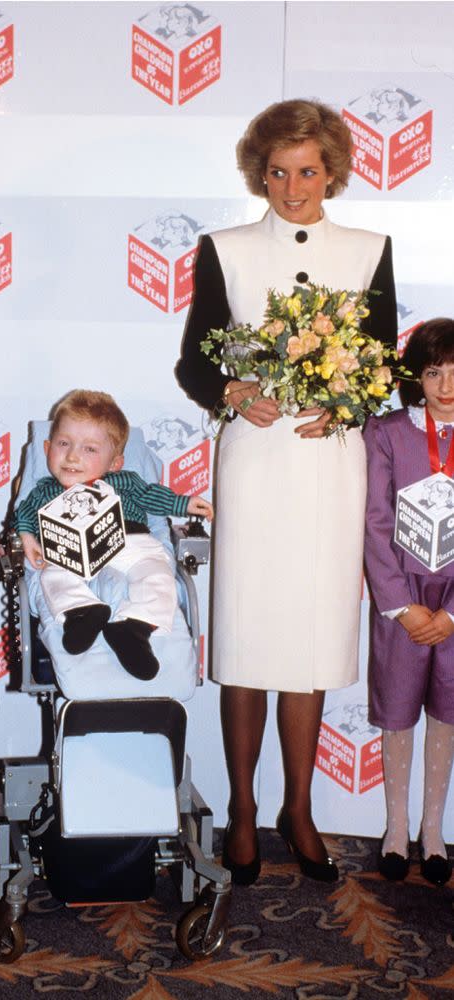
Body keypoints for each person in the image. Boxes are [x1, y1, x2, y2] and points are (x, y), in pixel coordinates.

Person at [176, 99, 397, 885]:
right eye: (278, 171)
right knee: (245, 640)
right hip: (257, 462)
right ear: (259, 172)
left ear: (331, 170)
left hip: (330, 465)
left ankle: (297, 809)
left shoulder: (369, 249)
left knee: (305, 645)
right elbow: (193, 366)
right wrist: (232, 391)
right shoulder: (226, 249)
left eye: (308, 170)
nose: (293, 186)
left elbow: (381, 367)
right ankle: (242, 811)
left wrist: (345, 399)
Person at [13, 390, 213, 680]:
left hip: (131, 543)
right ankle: (82, 612)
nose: (72, 456)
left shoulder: (124, 481)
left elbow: (152, 497)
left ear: (115, 463)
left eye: (89, 449)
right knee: (52, 576)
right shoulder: (45, 490)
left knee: (158, 576)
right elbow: (26, 514)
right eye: (63, 443)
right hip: (70, 550)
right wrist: (28, 536)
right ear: (47, 448)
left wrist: (183, 503)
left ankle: (134, 627)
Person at [364, 318, 454, 887]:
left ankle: (434, 831)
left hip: (452, 608)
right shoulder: (389, 432)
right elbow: (375, 521)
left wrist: (450, 614)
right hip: (405, 602)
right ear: (415, 377)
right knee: (399, 715)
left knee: (447, 714)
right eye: (433, 372)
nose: (446, 385)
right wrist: (402, 606)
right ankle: (396, 829)